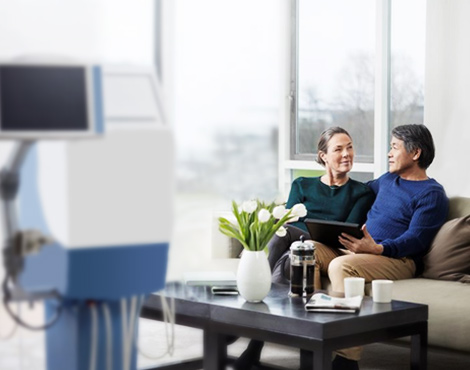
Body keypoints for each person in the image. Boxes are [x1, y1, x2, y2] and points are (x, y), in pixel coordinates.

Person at [232, 126, 375, 370]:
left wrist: (305, 233)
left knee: (289, 239)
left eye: (350, 147)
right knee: (283, 239)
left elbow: (344, 232)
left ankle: (252, 335)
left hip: (330, 252)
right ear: (323, 156)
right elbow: (286, 223)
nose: (347, 154)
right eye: (338, 149)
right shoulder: (302, 185)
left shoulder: (361, 192)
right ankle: (257, 337)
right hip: (297, 249)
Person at [315, 124, 449, 370]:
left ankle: (346, 358)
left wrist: (377, 249)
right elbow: (354, 194)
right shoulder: (387, 180)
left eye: (394, 147)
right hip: (359, 250)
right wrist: (329, 179)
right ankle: (312, 339)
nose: (389, 153)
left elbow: (415, 240)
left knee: (341, 266)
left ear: (415, 153)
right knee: (306, 251)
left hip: (398, 260)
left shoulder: (432, 194)